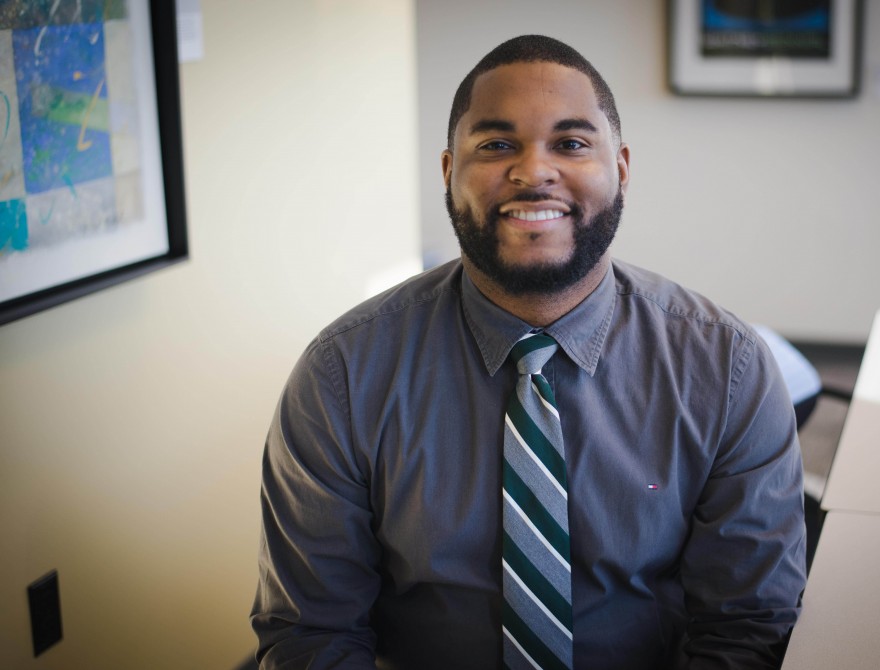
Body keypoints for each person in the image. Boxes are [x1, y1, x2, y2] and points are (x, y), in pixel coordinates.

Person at [252, 35, 806, 670]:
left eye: (570, 144)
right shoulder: (342, 374)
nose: (533, 172)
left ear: (621, 168)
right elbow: (313, 633)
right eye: (495, 145)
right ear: (447, 172)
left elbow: (747, 628)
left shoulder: (726, 370)